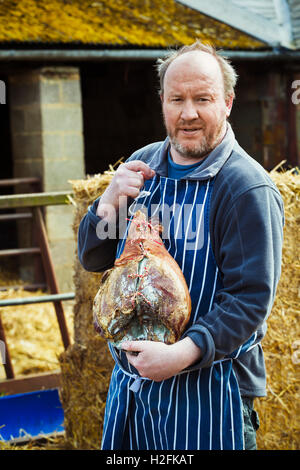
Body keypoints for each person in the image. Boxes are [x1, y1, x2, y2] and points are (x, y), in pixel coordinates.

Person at [77, 41, 284, 450]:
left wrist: (181, 354)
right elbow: (93, 257)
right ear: (162, 102)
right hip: (132, 394)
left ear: (227, 102)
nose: (188, 113)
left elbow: (250, 301)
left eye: (202, 98)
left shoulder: (245, 187)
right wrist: (106, 204)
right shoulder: (142, 167)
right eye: (177, 99)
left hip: (209, 395)